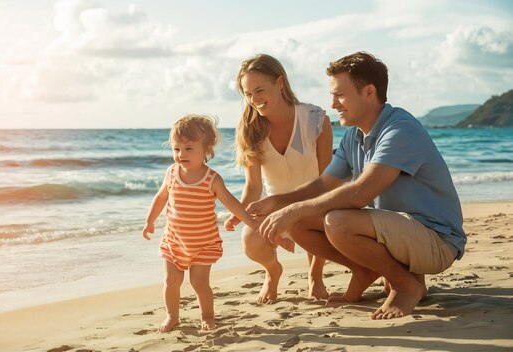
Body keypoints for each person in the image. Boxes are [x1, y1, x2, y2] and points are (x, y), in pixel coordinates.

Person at [250, 51, 466, 319]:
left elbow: (360, 193)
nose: (333, 104)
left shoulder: (400, 130)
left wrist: (294, 209)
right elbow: (322, 186)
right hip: (404, 234)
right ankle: (367, 271)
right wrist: (279, 202)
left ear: (368, 92)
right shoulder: (354, 136)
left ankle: (405, 284)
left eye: (340, 95)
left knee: (337, 221)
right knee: (299, 222)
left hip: (438, 241)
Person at [224, 53, 333, 303]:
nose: (254, 100)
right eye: (248, 94)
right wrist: (239, 211)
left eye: (259, 90)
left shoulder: (316, 121)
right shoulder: (250, 129)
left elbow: (328, 181)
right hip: (277, 209)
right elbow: (253, 186)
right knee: (250, 240)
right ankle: (272, 272)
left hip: (314, 205)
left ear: (280, 83)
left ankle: (315, 275)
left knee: (329, 221)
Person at [143, 114, 260, 332]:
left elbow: (231, 203)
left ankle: (207, 315)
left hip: (203, 244)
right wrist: (150, 221)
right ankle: (172, 316)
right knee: (171, 282)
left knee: (199, 283)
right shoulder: (171, 173)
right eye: (176, 149)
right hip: (174, 241)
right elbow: (161, 197)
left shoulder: (212, 179)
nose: (181, 154)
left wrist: (250, 222)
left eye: (188, 148)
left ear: (206, 150)